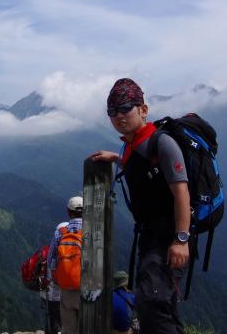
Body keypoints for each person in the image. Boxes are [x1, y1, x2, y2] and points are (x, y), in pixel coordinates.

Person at [90, 78, 190, 334]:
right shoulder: (131, 145)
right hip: (149, 235)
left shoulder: (162, 143)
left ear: (143, 109)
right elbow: (144, 172)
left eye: (125, 108)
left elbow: (181, 191)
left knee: (151, 301)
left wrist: (181, 239)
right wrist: (116, 158)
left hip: (168, 237)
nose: (118, 116)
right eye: (112, 111)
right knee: (159, 303)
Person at [47, 196, 83, 334]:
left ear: (69, 212)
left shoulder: (61, 232)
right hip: (87, 290)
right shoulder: (92, 233)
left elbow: (51, 260)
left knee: (68, 328)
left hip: (66, 288)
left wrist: (59, 278)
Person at [40, 222, 68, 334]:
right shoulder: (66, 252)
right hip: (62, 296)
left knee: (51, 322)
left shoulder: (48, 251)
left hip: (47, 294)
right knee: (62, 324)